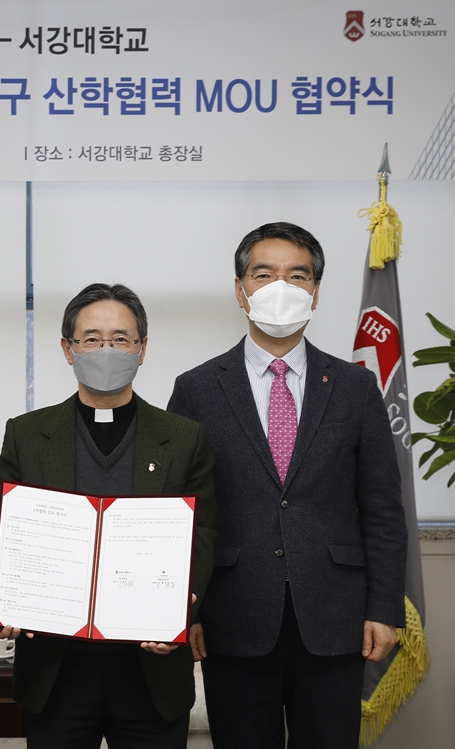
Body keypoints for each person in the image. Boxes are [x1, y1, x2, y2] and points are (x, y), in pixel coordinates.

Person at [167, 222, 408, 749]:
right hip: (232, 617)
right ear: (240, 290)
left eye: (297, 276)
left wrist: (384, 608)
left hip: (336, 618)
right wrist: (187, 612)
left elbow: (383, 509)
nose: (281, 287)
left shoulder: (355, 386)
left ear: (315, 292)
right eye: (264, 274)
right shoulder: (197, 389)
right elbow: (182, 514)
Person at [0, 283, 218, 749]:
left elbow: (205, 533)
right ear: (68, 349)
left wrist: (180, 609)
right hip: (56, 669)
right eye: (91, 339)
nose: (106, 351)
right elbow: (4, 531)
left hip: (151, 668)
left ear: (142, 349)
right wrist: (9, 599)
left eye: (121, 339)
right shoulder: (27, 434)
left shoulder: (184, 437)